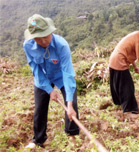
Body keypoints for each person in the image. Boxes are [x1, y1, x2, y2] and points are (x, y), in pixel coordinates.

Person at [23, 14, 79, 149]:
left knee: (72, 103)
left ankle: (72, 134)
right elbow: (35, 70)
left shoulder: (61, 45)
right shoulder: (28, 46)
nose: (43, 41)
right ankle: (39, 139)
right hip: (42, 79)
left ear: (51, 31)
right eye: (38, 38)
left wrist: (69, 104)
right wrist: (49, 90)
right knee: (39, 108)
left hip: (60, 75)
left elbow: (67, 73)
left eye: (45, 36)